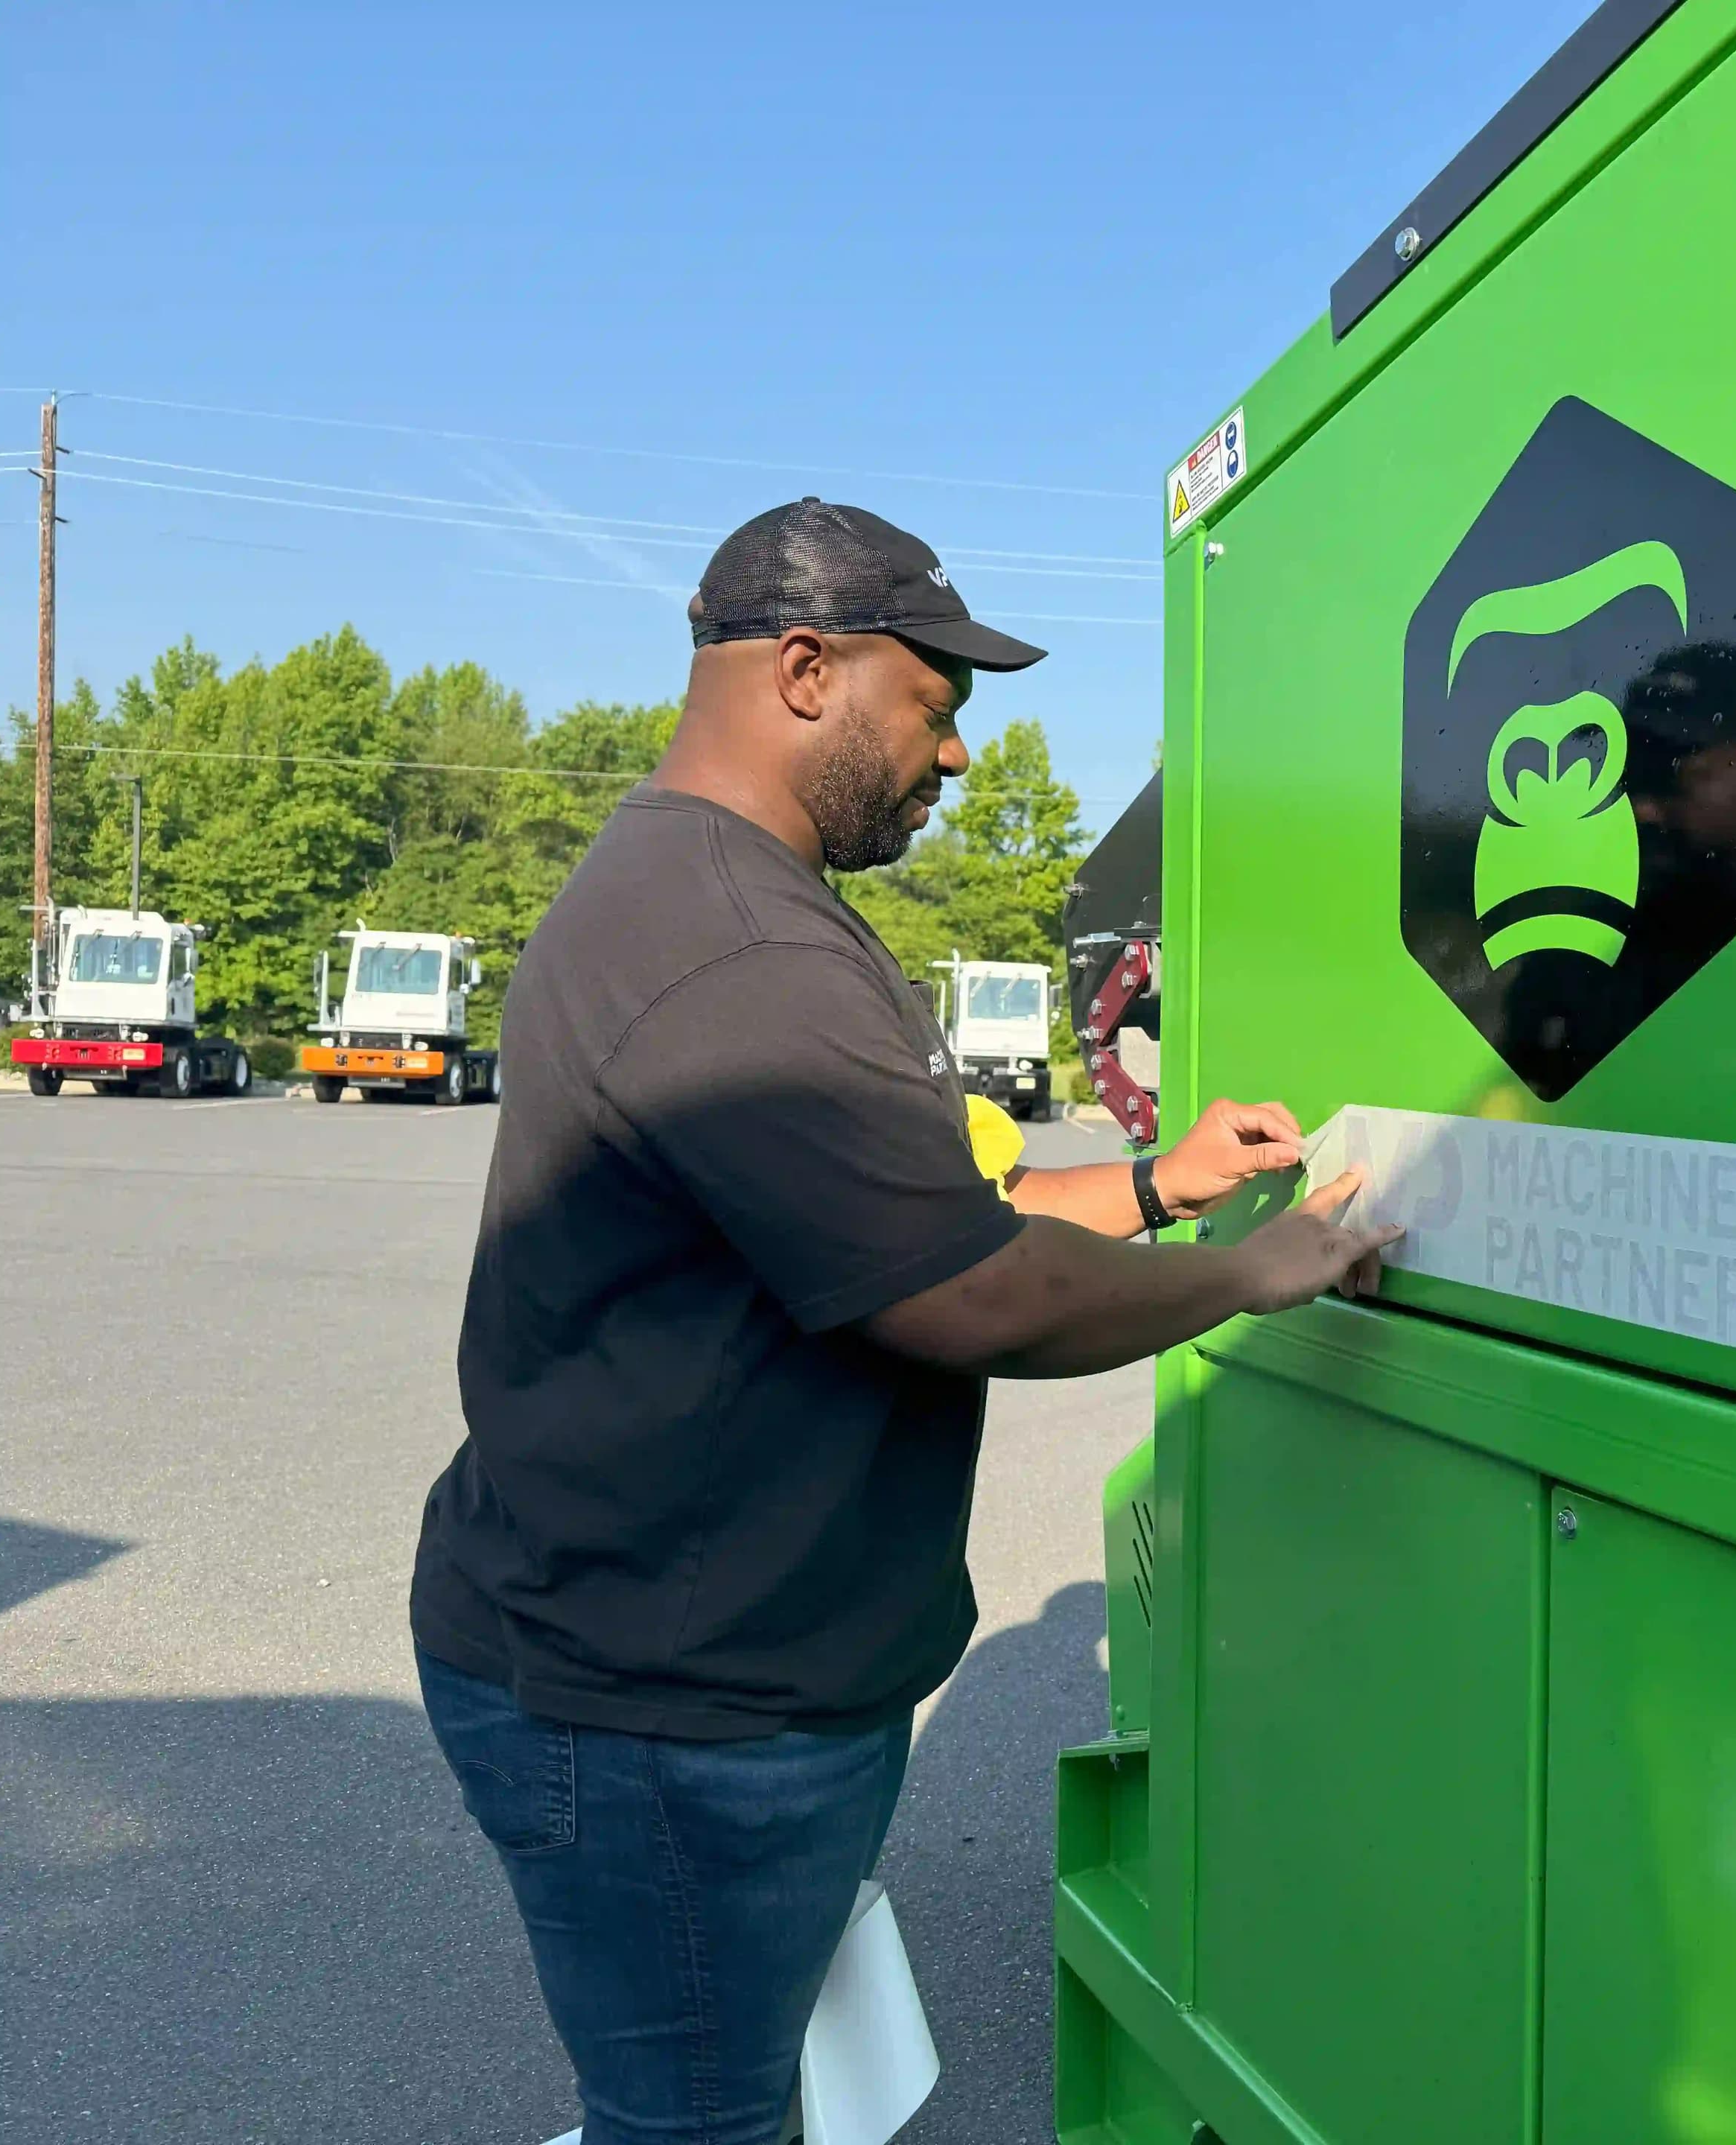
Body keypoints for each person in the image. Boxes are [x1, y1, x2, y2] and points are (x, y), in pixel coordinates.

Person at [407, 498, 1396, 2145]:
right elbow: (969, 1290)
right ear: (806, 669)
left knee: (719, 2096)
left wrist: (1160, 1187)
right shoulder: (728, 943)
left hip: (675, 1677)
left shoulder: (719, 896)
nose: (951, 758)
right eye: (934, 708)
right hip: (668, 1710)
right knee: (695, 2121)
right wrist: (1259, 1267)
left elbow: (919, 1219)